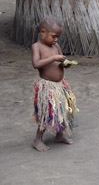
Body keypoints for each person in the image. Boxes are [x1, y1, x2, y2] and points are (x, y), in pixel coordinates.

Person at [31, 16, 77, 152]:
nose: (56, 39)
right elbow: (36, 64)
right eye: (53, 36)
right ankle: (37, 139)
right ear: (43, 32)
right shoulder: (37, 47)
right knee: (47, 113)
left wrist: (64, 64)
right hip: (47, 87)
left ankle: (59, 135)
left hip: (59, 86)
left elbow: (59, 61)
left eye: (58, 37)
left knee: (61, 111)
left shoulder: (56, 46)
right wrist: (53, 58)